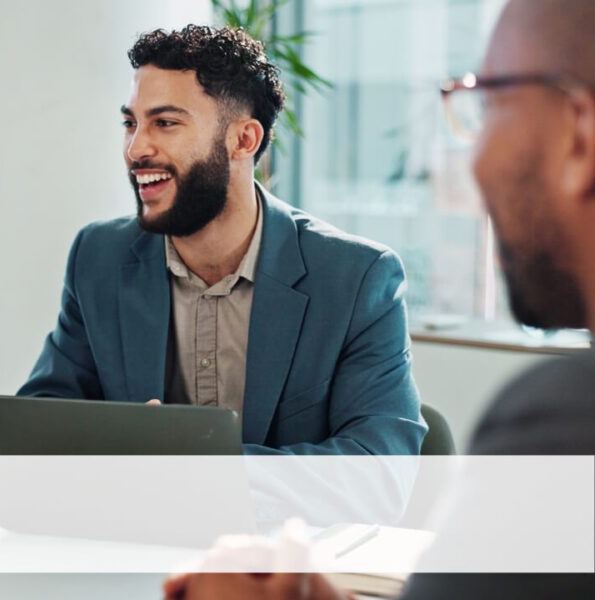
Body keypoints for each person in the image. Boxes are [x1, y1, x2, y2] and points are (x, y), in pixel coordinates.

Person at [164, 0, 595, 597]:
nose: (471, 157)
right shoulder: (101, 257)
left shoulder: (566, 429)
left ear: (578, 136)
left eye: (487, 103)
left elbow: (375, 474)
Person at [19, 25, 425, 457]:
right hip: (137, 524)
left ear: (243, 140)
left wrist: (201, 467)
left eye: (166, 123)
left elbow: (379, 467)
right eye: (131, 123)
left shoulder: (356, 278)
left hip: (282, 527)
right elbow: (43, 423)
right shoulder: (98, 257)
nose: (136, 148)